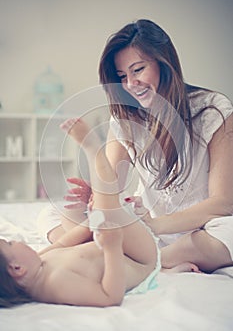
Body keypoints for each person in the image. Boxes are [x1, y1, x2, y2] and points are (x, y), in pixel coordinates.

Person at [39, 19, 233, 274]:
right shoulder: (125, 119)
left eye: (138, 70)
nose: (130, 84)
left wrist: (155, 225)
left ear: (165, 64)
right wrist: (96, 196)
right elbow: (111, 188)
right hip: (148, 230)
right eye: (122, 76)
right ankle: (152, 262)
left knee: (229, 232)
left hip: (200, 229)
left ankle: (139, 262)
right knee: (52, 213)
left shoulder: (213, 110)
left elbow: (224, 203)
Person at [0, 117, 161, 308]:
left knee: (70, 213)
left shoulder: (39, 263)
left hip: (115, 246)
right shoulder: (56, 284)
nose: (16, 241)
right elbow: (109, 297)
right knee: (106, 208)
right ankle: (93, 149)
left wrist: (91, 222)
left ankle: (102, 203)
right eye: (10, 243)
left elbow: (63, 242)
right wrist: (112, 248)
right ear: (17, 269)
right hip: (139, 259)